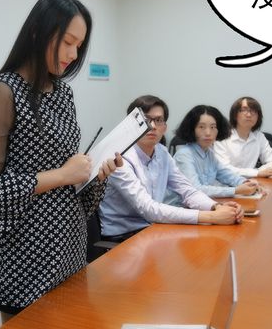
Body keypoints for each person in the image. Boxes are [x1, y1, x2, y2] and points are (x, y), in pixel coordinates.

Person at [0, 0, 122, 317]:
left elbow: (73, 187)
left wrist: (95, 175)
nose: (73, 54)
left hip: (70, 248)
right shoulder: (6, 91)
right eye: (68, 42)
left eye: (79, 45)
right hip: (28, 258)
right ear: (38, 32)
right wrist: (63, 175)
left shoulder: (63, 93)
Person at [99, 95, 244, 239]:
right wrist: (211, 217)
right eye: (145, 120)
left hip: (153, 228)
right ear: (131, 124)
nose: (152, 126)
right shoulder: (120, 158)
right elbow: (147, 208)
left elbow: (188, 191)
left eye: (158, 120)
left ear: (165, 127)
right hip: (123, 236)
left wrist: (216, 207)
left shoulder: (162, 152)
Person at [171, 105, 260, 199]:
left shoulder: (209, 153)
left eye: (213, 127)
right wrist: (236, 190)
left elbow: (225, 174)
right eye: (201, 127)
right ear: (191, 129)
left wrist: (245, 183)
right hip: (179, 205)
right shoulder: (184, 155)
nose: (208, 133)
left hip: (202, 204)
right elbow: (195, 190)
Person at [214, 96, 272, 178]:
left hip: (252, 182)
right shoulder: (222, 137)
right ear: (234, 115)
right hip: (226, 183)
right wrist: (257, 172)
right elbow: (224, 169)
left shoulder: (259, 136)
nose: (249, 115)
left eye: (253, 111)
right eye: (244, 110)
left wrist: (260, 172)